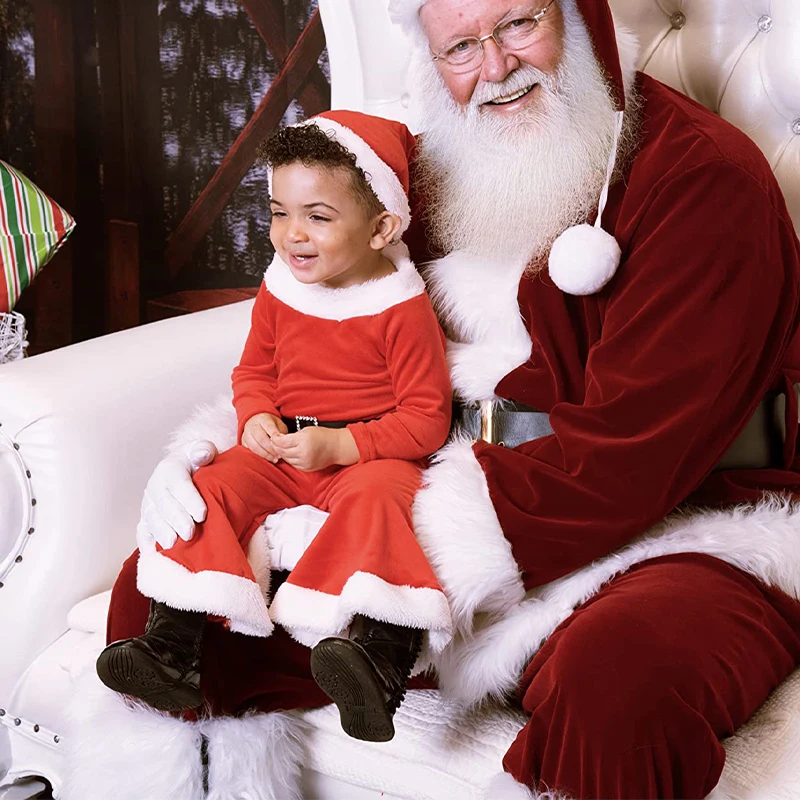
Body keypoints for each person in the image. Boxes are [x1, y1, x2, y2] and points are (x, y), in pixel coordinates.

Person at [72, 1, 800, 798]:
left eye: (520, 24)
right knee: (165, 597)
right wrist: (233, 455)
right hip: (432, 490)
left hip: (686, 529)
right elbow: (327, 350)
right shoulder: (417, 177)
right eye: (460, 46)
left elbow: (632, 459)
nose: (495, 68)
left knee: (620, 685)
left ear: (582, 19)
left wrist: (407, 562)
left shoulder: (703, 179)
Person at [95, 111, 453, 743]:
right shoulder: (282, 288)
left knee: (381, 503)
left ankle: (377, 655)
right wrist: (256, 413)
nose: (292, 236)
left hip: (366, 457)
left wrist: (344, 444)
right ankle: (174, 643)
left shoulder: (400, 307)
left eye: (318, 216)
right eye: (277, 212)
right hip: (283, 449)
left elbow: (426, 420)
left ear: (382, 227)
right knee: (212, 489)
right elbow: (254, 368)